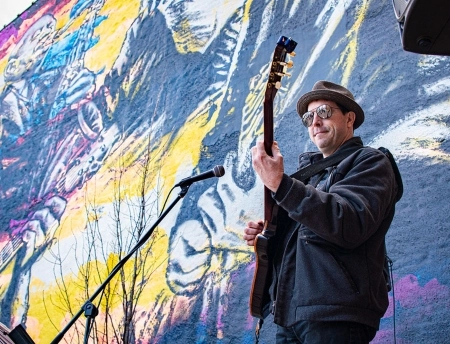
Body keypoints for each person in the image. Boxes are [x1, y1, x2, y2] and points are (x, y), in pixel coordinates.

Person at [244, 80, 400, 343]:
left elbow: (347, 221)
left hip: (336, 316)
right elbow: (306, 240)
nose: (315, 122)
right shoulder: (309, 179)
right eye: (309, 116)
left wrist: (281, 185)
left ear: (349, 119)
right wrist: (271, 234)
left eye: (325, 112)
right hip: (290, 317)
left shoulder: (371, 162)